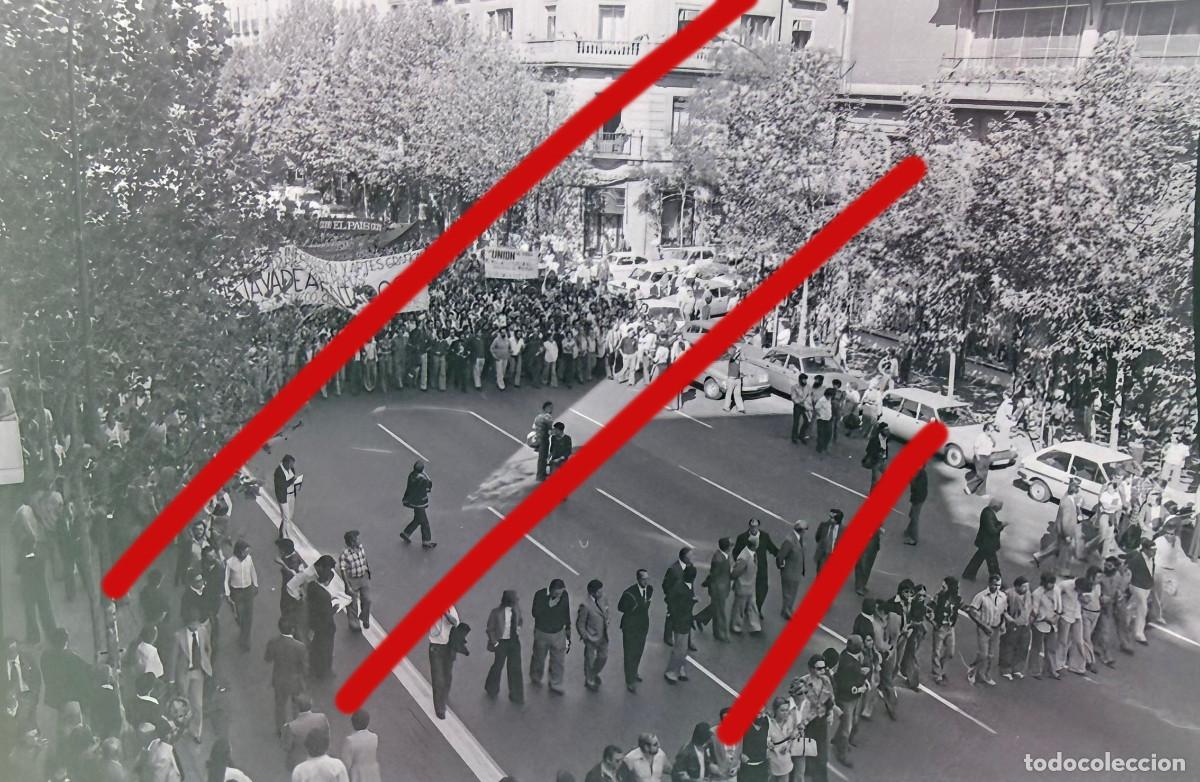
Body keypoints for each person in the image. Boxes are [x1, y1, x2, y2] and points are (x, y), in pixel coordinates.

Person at [169, 609, 212, 743]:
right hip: (184, 673)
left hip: (198, 671)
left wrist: (206, 661)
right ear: (187, 623)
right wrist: (171, 679)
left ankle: (196, 732)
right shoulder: (178, 636)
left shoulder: (203, 630)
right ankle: (179, 728)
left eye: (197, 623)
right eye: (193, 624)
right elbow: (173, 658)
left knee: (198, 705)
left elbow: (208, 647)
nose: (195, 626)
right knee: (183, 704)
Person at [265, 618, 308, 734]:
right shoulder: (300, 647)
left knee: (280, 706)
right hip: (294, 680)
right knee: (296, 705)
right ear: (293, 630)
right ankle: (296, 727)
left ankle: (281, 729)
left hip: (279, 678)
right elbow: (304, 666)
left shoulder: (273, 642)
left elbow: (267, 659)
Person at [832, 636, 869, 768]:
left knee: (846, 721)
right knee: (847, 726)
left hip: (845, 697)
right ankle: (842, 754)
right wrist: (861, 687)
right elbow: (847, 686)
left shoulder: (846, 656)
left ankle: (837, 740)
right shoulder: (850, 664)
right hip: (847, 698)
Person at [966, 573, 1007, 686]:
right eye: (994, 585)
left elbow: (1003, 612)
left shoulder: (1003, 597)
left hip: (996, 628)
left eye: (998, 585)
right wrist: (983, 625)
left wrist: (1002, 624)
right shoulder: (981, 596)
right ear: (989, 584)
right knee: (983, 654)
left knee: (991, 655)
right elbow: (972, 611)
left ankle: (985, 675)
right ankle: (972, 670)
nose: (996, 587)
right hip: (984, 628)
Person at [530, 579, 571, 694]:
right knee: (539, 657)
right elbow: (535, 613)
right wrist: (549, 606)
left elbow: (566, 613)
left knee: (558, 661)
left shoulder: (564, 596)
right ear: (551, 590)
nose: (560, 595)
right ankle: (536, 676)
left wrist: (568, 630)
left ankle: (555, 683)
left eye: (562, 592)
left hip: (558, 633)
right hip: (542, 632)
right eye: (558, 593)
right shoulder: (540, 595)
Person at [484, 590, 524, 704]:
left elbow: (520, 620)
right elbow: (490, 629)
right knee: (498, 666)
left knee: (515, 668)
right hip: (501, 642)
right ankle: (491, 688)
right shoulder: (496, 613)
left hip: (514, 641)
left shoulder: (516, 609)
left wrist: (519, 627)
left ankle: (516, 695)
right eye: (514, 601)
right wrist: (495, 643)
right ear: (507, 602)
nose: (516, 603)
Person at [617, 570, 653, 693]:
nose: (646, 581)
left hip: (643, 626)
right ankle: (630, 680)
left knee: (639, 650)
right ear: (638, 579)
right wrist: (632, 608)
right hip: (630, 627)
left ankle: (634, 671)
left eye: (647, 579)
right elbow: (620, 607)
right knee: (629, 653)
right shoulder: (629, 593)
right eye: (644, 579)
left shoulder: (649, 590)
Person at [733, 519, 778, 615]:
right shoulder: (742, 538)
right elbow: (735, 552)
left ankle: (757, 608)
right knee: (748, 590)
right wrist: (740, 563)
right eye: (752, 526)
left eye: (756, 526)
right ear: (749, 526)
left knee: (763, 589)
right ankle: (747, 608)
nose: (754, 528)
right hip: (748, 570)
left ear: (758, 527)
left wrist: (781, 556)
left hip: (761, 568)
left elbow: (772, 548)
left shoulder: (764, 536)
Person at [306, 558, 338, 680]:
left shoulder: (311, 586)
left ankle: (313, 668)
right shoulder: (325, 595)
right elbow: (327, 614)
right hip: (325, 627)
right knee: (326, 650)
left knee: (316, 647)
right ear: (328, 581)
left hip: (314, 623)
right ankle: (323, 673)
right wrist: (335, 607)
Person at [224, 540, 258, 651]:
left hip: (248, 589)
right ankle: (243, 631)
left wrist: (255, 584)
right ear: (239, 551)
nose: (247, 553)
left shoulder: (249, 559)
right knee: (240, 615)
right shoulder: (230, 562)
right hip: (236, 591)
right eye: (245, 551)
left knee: (249, 615)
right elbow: (226, 579)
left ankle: (245, 639)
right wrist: (227, 593)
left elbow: (253, 571)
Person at [664, 566, 695, 684]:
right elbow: (675, 602)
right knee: (680, 648)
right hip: (680, 621)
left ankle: (680, 668)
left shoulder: (685, 586)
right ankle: (671, 672)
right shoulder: (681, 588)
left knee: (683, 647)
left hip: (684, 620)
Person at [577, 579, 610, 692]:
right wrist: (585, 636)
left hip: (603, 635)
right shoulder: (585, 605)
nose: (602, 593)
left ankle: (593, 673)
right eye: (599, 592)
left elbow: (606, 609)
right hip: (591, 637)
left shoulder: (603, 597)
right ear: (593, 593)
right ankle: (589, 679)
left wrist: (607, 619)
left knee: (603, 657)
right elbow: (580, 623)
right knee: (589, 660)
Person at [962, 497, 1006, 582]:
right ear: (995, 506)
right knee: (993, 564)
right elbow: (993, 530)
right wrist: (1002, 526)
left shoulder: (987, 511)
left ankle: (968, 574)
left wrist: (999, 523)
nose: (1000, 509)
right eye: (1000, 507)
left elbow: (992, 524)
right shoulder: (988, 514)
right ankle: (997, 581)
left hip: (984, 542)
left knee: (978, 558)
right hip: (988, 543)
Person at [998, 576, 1032, 680]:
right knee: (1008, 646)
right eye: (1023, 587)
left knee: (1023, 647)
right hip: (1013, 624)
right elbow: (1002, 610)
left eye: (1027, 586)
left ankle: (1017, 669)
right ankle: (1005, 669)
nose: (1026, 589)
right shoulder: (1009, 594)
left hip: (1025, 624)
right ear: (1017, 586)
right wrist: (1009, 620)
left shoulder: (1028, 594)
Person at [429, 606, 460, 719]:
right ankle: (440, 708)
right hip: (435, 646)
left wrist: (445, 614)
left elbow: (456, 622)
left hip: (449, 647)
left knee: (447, 675)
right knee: (438, 678)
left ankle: (444, 696)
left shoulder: (451, 609)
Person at [1029, 572, 1062, 680]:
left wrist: (1056, 617)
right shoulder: (1037, 594)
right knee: (1036, 648)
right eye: (1049, 583)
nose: (1051, 586)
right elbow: (1035, 610)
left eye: (1053, 583)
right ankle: (1035, 670)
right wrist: (1046, 618)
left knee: (1051, 648)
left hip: (1053, 623)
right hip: (1040, 624)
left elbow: (1059, 606)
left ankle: (1051, 670)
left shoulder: (1056, 590)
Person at [929, 577, 961, 685]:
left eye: (944, 586)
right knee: (937, 651)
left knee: (950, 652)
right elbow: (929, 609)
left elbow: (962, 607)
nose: (942, 588)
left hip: (950, 627)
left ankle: (940, 668)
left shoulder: (957, 598)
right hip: (940, 627)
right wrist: (933, 622)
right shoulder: (939, 597)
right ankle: (937, 673)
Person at [338, 531, 371, 632]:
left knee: (367, 599)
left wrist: (368, 570)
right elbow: (343, 570)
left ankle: (364, 617)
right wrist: (347, 585)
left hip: (363, 577)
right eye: (356, 539)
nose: (358, 540)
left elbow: (364, 559)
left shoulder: (360, 547)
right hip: (352, 580)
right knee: (352, 602)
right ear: (352, 541)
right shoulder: (345, 554)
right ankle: (354, 623)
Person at [400, 461, 436, 549]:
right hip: (420, 503)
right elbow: (429, 485)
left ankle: (406, 533)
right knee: (424, 522)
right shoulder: (423, 479)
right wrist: (426, 474)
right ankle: (426, 542)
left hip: (413, 502)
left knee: (418, 519)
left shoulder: (412, 475)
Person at [703, 539, 733, 642]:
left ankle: (701, 618)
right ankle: (720, 634)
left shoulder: (724, 556)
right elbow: (714, 575)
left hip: (722, 587)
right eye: (730, 546)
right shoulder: (719, 559)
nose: (731, 547)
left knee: (717, 609)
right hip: (718, 589)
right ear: (727, 548)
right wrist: (707, 583)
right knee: (720, 612)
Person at [776, 522, 807, 619]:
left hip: (796, 571)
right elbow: (780, 557)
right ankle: (786, 611)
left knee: (793, 592)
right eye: (805, 530)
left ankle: (788, 608)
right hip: (789, 571)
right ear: (801, 531)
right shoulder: (789, 541)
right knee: (788, 593)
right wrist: (782, 567)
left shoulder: (799, 538)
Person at [731, 539, 762, 635]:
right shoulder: (744, 557)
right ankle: (736, 626)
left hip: (750, 585)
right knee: (740, 607)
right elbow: (736, 572)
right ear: (754, 545)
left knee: (752, 606)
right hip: (743, 586)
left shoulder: (752, 553)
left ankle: (755, 626)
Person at [341, 710, 381, 782]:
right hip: (372, 772)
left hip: (358, 773)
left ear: (353, 723)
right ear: (368, 723)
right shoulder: (374, 737)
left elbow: (346, 763)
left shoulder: (350, 740)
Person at [964, 424, 996, 495]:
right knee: (981, 475)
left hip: (987, 457)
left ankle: (981, 492)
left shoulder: (990, 437)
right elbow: (975, 448)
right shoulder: (980, 437)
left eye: (993, 431)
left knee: (985, 475)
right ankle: (969, 486)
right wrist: (978, 459)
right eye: (990, 431)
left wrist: (992, 438)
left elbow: (994, 444)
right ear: (985, 430)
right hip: (979, 457)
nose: (992, 432)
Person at [273, 454, 301, 534]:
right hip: (283, 496)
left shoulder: (290, 468)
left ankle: (283, 531)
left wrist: (294, 479)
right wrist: (292, 481)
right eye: (290, 464)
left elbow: (292, 476)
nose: (292, 466)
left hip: (290, 494)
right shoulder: (279, 472)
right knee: (286, 517)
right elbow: (282, 486)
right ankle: (284, 535)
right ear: (285, 463)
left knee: (289, 516)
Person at [853, 528, 882, 596]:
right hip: (867, 544)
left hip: (872, 544)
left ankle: (861, 585)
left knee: (866, 565)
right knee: (863, 565)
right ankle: (860, 587)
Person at [904, 463, 928, 545]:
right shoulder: (921, 472)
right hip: (919, 497)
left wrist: (914, 500)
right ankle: (908, 531)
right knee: (912, 515)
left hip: (918, 499)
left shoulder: (919, 474)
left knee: (914, 517)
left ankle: (914, 539)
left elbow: (917, 489)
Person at [862, 423, 889, 488]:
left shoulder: (885, 438)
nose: (888, 431)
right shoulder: (875, 439)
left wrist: (885, 457)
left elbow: (885, 449)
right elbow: (869, 450)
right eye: (886, 429)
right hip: (875, 461)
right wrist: (877, 454)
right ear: (881, 430)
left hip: (882, 461)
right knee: (875, 479)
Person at [534, 401, 555, 481]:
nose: (552, 409)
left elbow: (534, 426)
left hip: (538, 438)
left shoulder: (538, 417)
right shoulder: (548, 418)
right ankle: (540, 476)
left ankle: (541, 473)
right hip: (544, 439)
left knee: (541, 457)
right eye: (550, 408)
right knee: (543, 457)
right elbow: (550, 430)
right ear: (546, 408)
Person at [788, 373, 811, 445]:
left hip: (806, 406)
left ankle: (802, 435)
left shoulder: (808, 387)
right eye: (803, 380)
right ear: (800, 380)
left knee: (807, 421)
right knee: (796, 423)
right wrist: (801, 401)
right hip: (798, 407)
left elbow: (809, 396)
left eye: (805, 380)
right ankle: (794, 437)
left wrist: (807, 403)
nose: (805, 381)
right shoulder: (794, 387)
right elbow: (793, 398)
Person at [722, 347, 745, 413]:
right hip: (731, 380)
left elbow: (744, 358)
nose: (739, 358)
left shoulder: (738, 361)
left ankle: (740, 408)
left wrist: (741, 351)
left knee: (738, 394)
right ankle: (726, 408)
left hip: (738, 380)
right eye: (738, 356)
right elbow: (734, 356)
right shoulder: (731, 359)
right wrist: (737, 351)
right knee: (729, 394)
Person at [814, 388, 835, 454]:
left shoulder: (829, 399)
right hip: (821, 420)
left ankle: (825, 447)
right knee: (821, 434)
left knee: (828, 434)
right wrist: (820, 416)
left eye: (831, 396)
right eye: (829, 396)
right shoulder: (821, 400)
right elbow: (816, 408)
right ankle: (819, 448)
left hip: (828, 419)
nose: (830, 397)